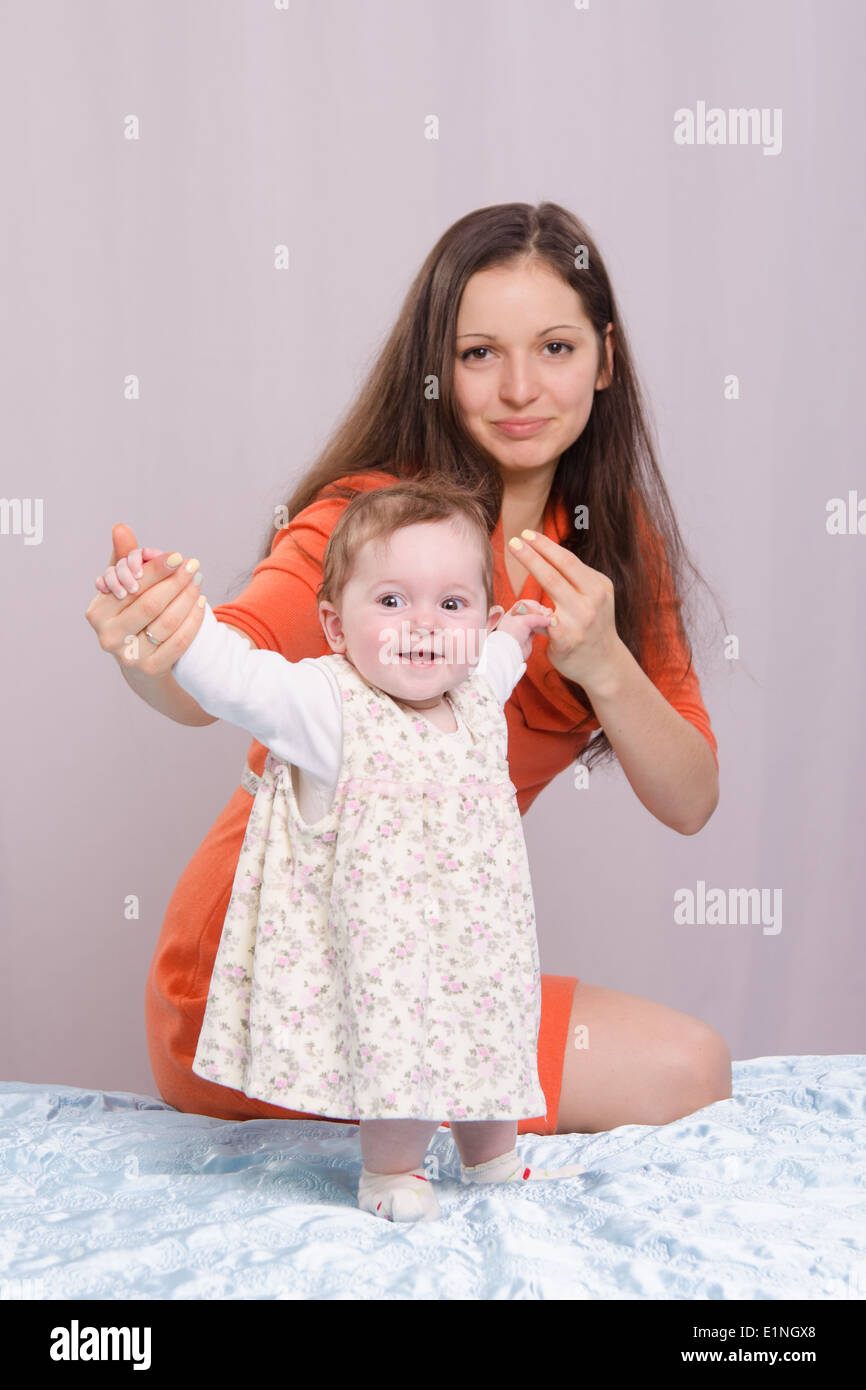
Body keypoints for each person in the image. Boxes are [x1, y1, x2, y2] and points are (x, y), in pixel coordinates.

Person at [85, 201, 731, 1190]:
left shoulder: (608, 541)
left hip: (431, 960)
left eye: (553, 347)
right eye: (479, 354)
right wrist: (154, 641)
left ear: (603, 358)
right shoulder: (373, 527)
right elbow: (225, 668)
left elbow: (688, 797)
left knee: (693, 1067)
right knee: (674, 1064)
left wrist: (603, 660)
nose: (520, 388)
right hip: (276, 971)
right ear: (437, 365)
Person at [131, 478, 586, 1222]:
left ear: (478, 621)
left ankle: (492, 1157)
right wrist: (180, 622)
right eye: (391, 601)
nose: (423, 625)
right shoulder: (330, 707)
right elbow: (237, 680)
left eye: (450, 605)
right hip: (387, 958)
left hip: (480, 945)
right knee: (398, 1054)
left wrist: (520, 629)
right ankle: (392, 1170)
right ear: (335, 626)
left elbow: (500, 659)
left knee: (492, 1040)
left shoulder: (474, 694)